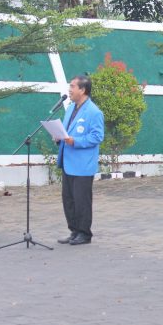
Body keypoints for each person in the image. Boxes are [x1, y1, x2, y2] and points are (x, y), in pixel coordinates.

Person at [57, 75, 105, 245]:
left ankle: (84, 233)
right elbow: (66, 130)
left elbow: (97, 136)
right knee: (68, 199)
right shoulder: (70, 108)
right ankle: (74, 231)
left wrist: (75, 141)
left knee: (81, 200)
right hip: (68, 162)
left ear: (82, 90)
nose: (69, 90)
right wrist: (59, 137)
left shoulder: (94, 111)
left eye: (72, 86)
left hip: (83, 164)